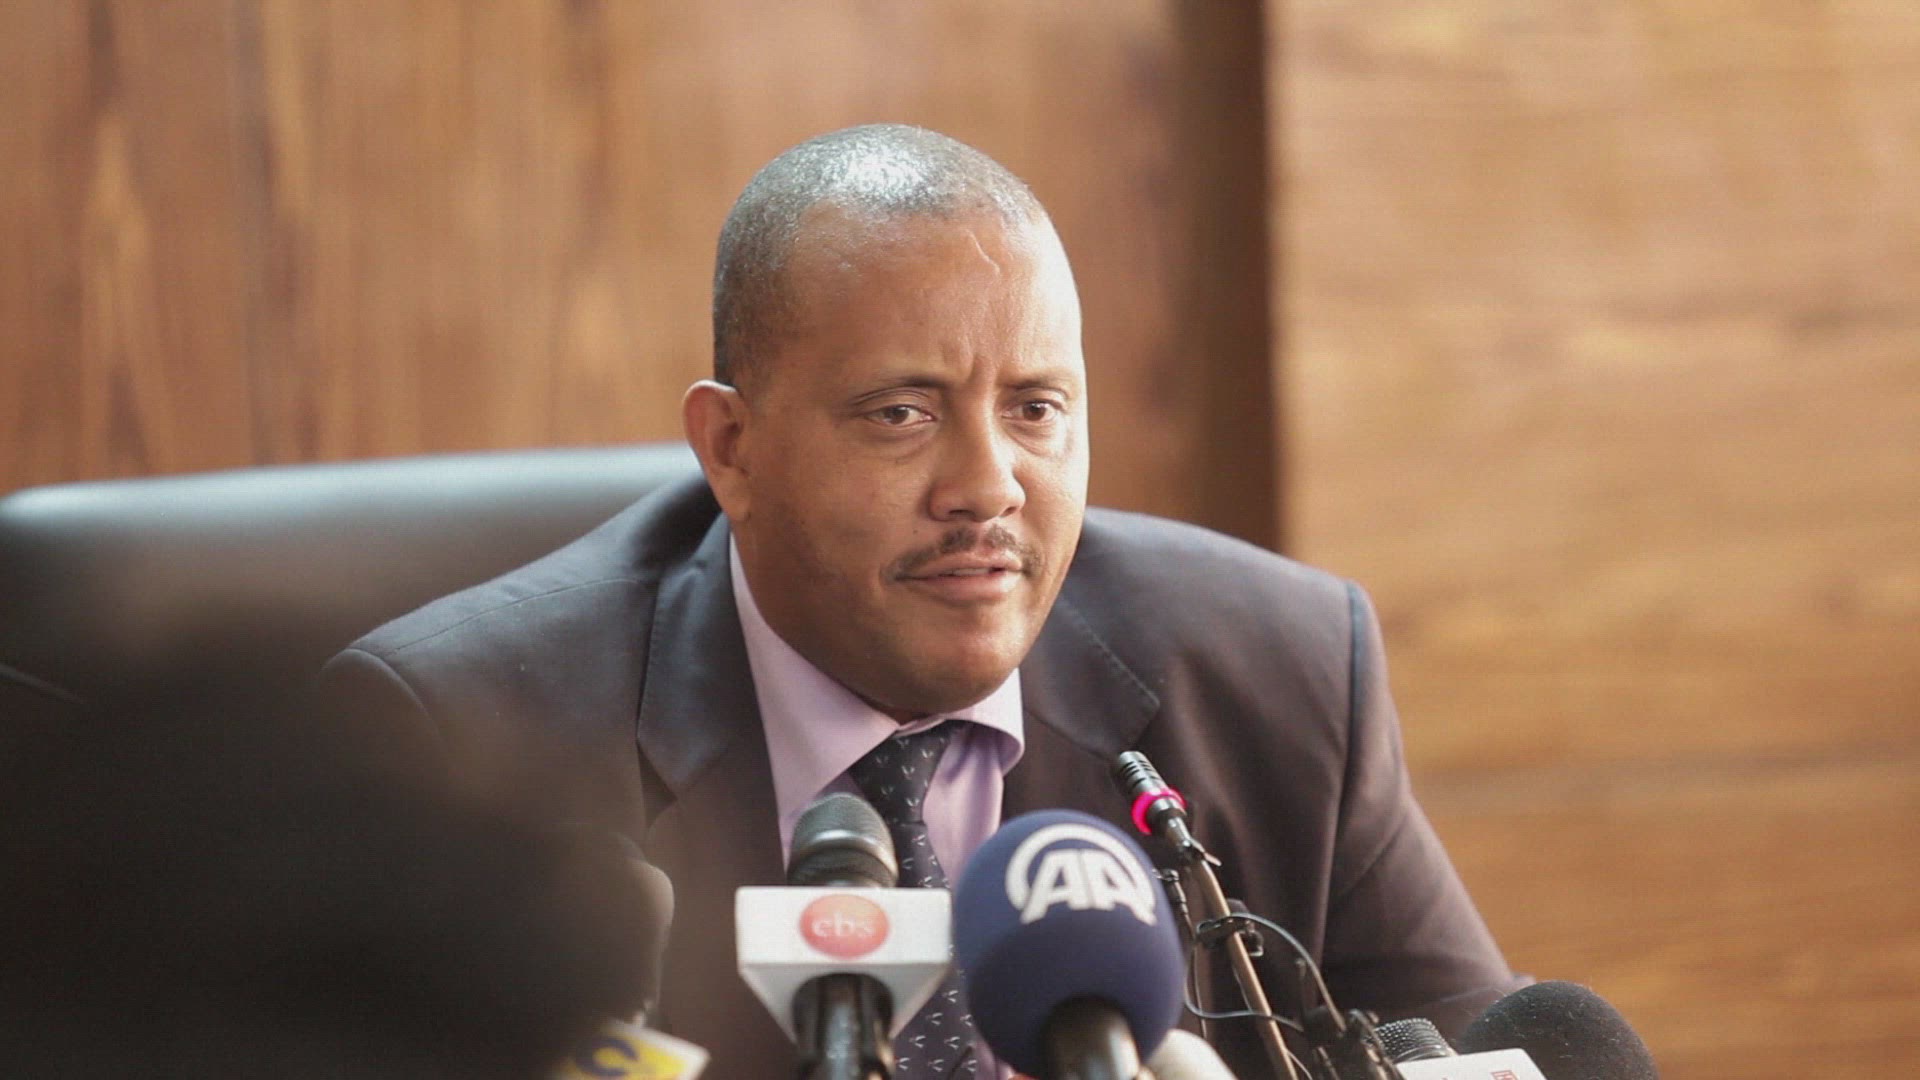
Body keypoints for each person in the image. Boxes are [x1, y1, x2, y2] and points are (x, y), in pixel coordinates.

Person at [316, 124, 1517, 1078]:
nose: (988, 487)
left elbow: (1472, 1050)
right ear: (732, 447)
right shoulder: (457, 748)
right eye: (902, 413)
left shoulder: (1281, 673)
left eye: (1036, 409)